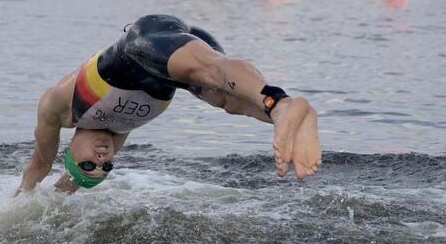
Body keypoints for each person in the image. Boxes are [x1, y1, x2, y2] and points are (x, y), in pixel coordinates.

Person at [17, 14, 321, 194]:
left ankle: (280, 104)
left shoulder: (60, 107)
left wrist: (18, 206)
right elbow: (69, 188)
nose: (101, 157)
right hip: (172, 73)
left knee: (213, 70)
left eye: (88, 164)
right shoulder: (115, 135)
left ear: (69, 153)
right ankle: (286, 118)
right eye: (106, 166)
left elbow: (39, 165)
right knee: (226, 99)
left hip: (145, 41)